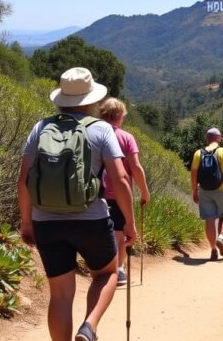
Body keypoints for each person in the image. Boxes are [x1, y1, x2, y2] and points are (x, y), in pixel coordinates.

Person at [18, 67, 137, 341]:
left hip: (46, 222)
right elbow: (120, 179)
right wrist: (129, 223)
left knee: (60, 294)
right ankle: (89, 327)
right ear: (92, 99)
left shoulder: (41, 128)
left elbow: (23, 180)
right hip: (91, 219)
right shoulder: (101, 129)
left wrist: (27, 222)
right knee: (106, 274)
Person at [99, 98, 150, 286]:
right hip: (119, 192)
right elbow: (136, 167)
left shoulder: (91, 133)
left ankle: (101, 265)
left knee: (100, 229)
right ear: (120, 116)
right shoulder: (125, 137)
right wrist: (145, 192)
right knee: (120, 231)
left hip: (94, 192)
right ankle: (118, 269)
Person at [190, 127, 223, 261]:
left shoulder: (198, 153)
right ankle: (221, 238)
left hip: (204, 190)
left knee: (209, 219)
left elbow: (193, 173)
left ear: (207, 139)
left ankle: (213, 250)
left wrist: (194, 190)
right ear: (219, 138)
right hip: (222, 189)